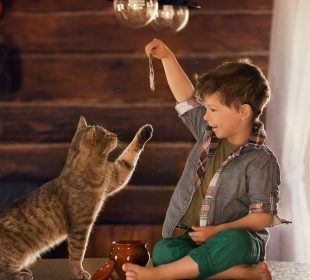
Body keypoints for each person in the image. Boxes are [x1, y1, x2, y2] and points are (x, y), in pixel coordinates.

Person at [122, 39, 290, 280]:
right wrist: (168, 57)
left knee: (238, 241)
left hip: (229, 240)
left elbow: (264, 216)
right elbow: (186, 99)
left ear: (243, 112)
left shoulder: (261, 161)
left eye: (213, 109)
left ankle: (161, 275)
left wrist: (218, 231)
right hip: (189, 239)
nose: (206, 116)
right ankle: (235, 275)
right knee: (163, 250)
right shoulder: (208, 133)